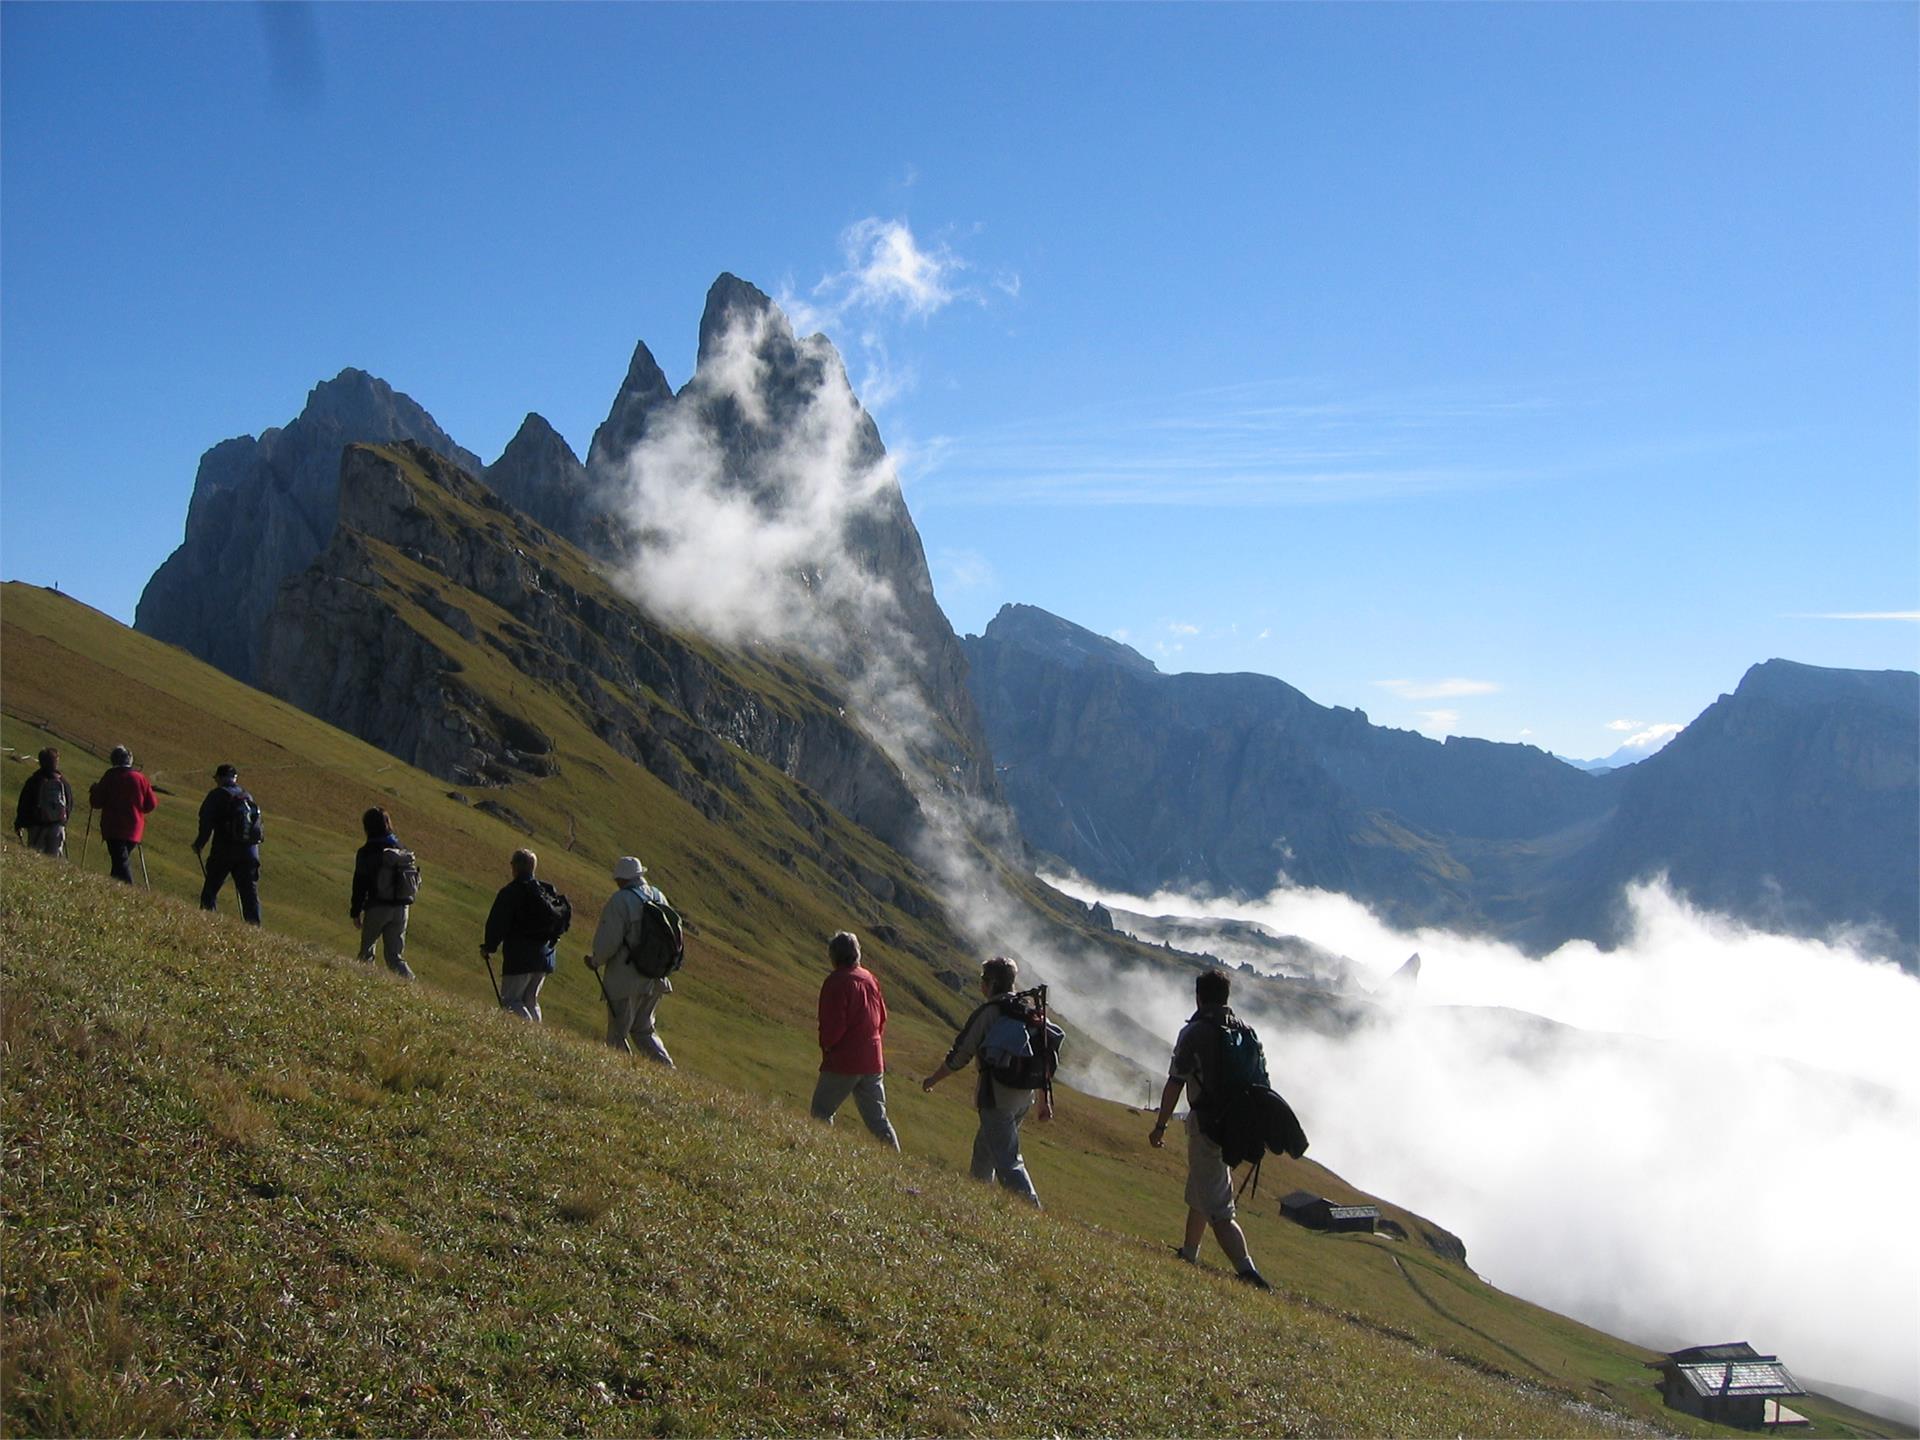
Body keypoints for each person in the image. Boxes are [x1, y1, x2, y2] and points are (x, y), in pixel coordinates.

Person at [1147, 969, 1273, 1290]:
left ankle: (1248, 1273)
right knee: (1201, 1189)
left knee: (1219, 1207)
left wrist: (1160, 1126)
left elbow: (1175, 1083)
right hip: (1237, 1126)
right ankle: (1189, 1252)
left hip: (1207, 1125)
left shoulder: (1195, 1033)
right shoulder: (1246, 1032)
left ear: (1198, 996)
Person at [922, 955, 1051, 1209]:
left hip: (997, 1095)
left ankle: (1033, 1211)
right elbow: (1042, 1057)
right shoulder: (1026, 1009)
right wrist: (1044, 1101)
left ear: (991, 983)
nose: (980, 984)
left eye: (983, 980)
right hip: (1025, 1096)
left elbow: (961, 1054)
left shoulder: (989, 1013)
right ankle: (977, 1199)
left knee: (1007, 1159)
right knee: (985, 1147)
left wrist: (933, 1079)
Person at [809, 931, 900, 1150]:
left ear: (834, 955)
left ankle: (822, 1153)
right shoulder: (870, 979)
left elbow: (834, 1024)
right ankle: (896, 1162)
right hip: (872, 1059)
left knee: (821, 1111)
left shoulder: (836, 982)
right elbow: (882, 1018)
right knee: (878, 1120)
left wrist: (828, 1046)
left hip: (844, 1060)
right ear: (857, 953)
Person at [585, 856, 676, 1065]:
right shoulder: (658, 896)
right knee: (644, 1029)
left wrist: (596, 960)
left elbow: (609, 940)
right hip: (655, 977)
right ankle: (667, 1069)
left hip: (625, 979)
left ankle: (622, 1073)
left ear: (621, 879)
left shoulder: (621, 900)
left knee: (618, 1032)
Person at [481, 848, 562, 1020]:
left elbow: (497, 922)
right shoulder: (545, 891)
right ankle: (537, 1039)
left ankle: (526, 1036)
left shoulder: (511, 892)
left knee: (511, 1001)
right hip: (545, 956)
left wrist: (489, 947)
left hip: (520, 957)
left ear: (516, 867)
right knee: (531, 1000)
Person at [349, 807, 416, 978]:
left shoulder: (367, 852)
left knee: (367, 952)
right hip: (402, 908)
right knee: (395, 957)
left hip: (377, 906)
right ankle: (411, 986)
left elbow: (360, 883)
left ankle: (362, 984)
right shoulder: (401, 848)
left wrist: (356, 911)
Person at [191, 763, 262, 924]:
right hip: (250, 852)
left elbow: (206, 822)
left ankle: (208, 922)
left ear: (219, 778)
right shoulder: (247, 796)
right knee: (249, 894)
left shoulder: (216, 795)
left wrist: (199, 844)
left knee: (211, 889)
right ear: (235, 778)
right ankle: (254, 927)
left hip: (224, 850)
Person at [87, 745, 157, 883]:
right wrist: (139, 809)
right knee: (119, 860)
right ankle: (113, 887)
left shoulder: (110, 776)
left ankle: (129, 889)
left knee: (120, 861)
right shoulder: (140, 778)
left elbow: (97, 802)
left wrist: (94, 791)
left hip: (113, 827)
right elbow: (151, 804)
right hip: (134, 828)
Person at [13, 747, 74, 857]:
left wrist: (19, 823)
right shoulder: (63, 782)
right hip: (57, 827)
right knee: (54, 861)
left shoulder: (34, 781)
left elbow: (24, 803)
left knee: (34, 857)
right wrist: (63, 820)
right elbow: (69, 804)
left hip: (36, 826)